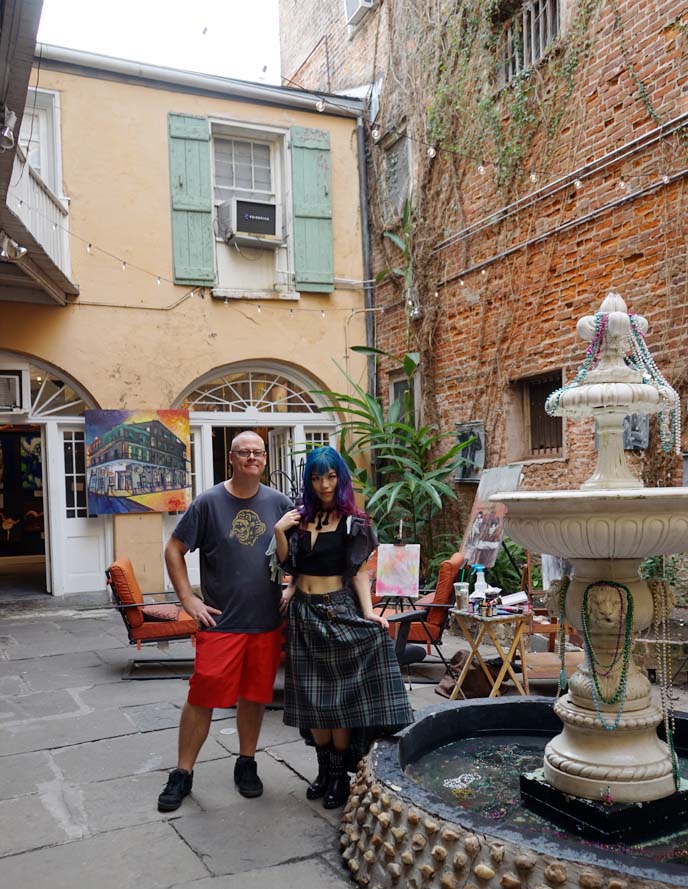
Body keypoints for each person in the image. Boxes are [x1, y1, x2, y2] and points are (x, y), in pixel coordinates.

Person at [157, 431, 292, 812]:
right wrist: (187, 599)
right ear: (231, 458)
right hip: (221, 623)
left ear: (265, 459)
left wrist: (291, 586)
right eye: (244, 452)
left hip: (265, 623)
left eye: (258, 452)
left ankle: (246, 763)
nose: (252, 457)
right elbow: (174, 548)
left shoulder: (279, 502)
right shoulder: (209, 503)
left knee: (254, 697)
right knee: (202, 697)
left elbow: (299, 552)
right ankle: (183, 772)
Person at [274, 446, 413, 809]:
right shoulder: (297, 519)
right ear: (310, 480)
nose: (324, 484)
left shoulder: (355, 521)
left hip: (338, 612)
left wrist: (369, 613)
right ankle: (323, 771)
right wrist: (279, 532)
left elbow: (359, 573)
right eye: (318, 477)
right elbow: (289, 563)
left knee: (337, 704)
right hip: (304, 616)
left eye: (331, 476)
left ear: (341, 478)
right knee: (313, 703)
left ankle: (338, 777)